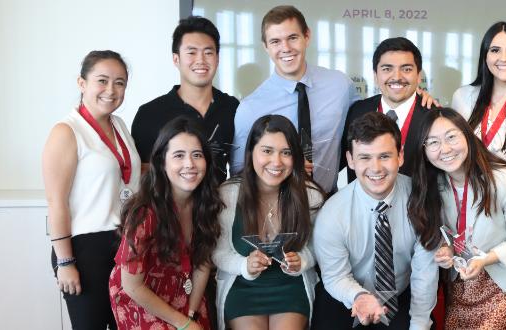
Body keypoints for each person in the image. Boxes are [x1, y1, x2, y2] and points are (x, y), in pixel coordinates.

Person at [231, 5, 436, 193]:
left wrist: (415, 96)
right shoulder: (250, 108)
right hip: (279, 204)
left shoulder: (339, 84)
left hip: (329, 199)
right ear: (266, 46)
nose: (285, 48)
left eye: (292, 37)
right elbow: (241, 172)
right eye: (275, 41)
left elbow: (374, 110)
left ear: (307, 36)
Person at [408, 108, 506, 329]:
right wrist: (447, 249)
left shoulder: (503, 180)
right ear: (423, 150)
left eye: (451, 137)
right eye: (432, 142)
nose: (445, 149)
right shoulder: (434, 184)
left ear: (468, 136)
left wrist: (485, 259)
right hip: (463, 282)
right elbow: (448, 232)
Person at [43, 50, 141, 329]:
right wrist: (65, 261)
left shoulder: (119, 124)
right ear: (82, 83)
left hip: (123, 243)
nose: (111, 90)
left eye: (120, 82)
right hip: (85, 249)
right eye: (102, 80)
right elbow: (56, 202)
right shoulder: (66, 131)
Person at [312, 112, 438, 329]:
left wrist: (419, 325)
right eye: (365, 157)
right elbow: (335, 276)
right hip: (346, 294)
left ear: (400, 156)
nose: (376, 168)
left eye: (385, 156)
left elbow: (424, 276)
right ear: (350, 160)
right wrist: (359, 296)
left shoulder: (420, 200)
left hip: (401, 294)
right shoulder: (332, 213)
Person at [109, 117, 223, 330]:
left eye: (197, 155)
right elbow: (132, 286)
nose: (189, 164)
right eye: (179, 156)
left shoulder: (207, 204)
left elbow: (203, 262)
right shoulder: (145, 213)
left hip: (185, 292)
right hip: (141, 296)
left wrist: (191, 313)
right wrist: (184, 324)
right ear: (162, 162)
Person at [213, 115, 325, 330]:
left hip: (291, 286)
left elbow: (317, 247)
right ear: (251, 152)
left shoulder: (311, 195)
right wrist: (244, 265)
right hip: (242, 285)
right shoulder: (228, 194)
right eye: (267, 151)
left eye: (286, 153)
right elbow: (218, 252)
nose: (277, 162)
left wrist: (301, 260)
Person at [132, 16, 239, 182]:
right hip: (168, 207)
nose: (201, 60)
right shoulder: (149, 114)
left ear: (217, 59)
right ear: (176, 59)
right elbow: (143, 176)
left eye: (208, 53)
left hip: (221, 206)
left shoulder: (233, 108)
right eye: (191, 52)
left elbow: (240, 168)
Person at [341, 37, 433, 182]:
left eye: (406, 69)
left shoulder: (434, 117)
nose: (397, 77)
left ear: (419, 75)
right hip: (363, 203)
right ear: (375, 75)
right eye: (387, 69)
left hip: (418, 203)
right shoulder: (357, 111)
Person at [451, 21, 506, 163]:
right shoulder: (462, 96)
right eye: (495, 50)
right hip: (470, 184)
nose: (503, 58)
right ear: (485, 56)